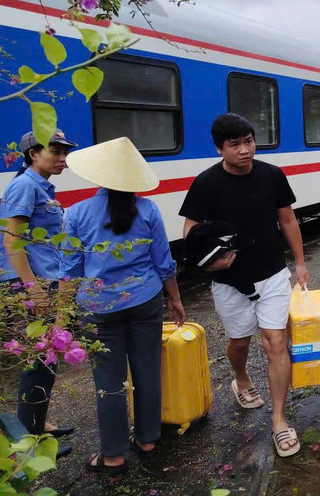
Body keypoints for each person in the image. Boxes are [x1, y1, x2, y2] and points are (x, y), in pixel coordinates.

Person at [179, 113, 308, 458]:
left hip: (272, 272)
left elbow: (287, 219)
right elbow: (191, 229)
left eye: (248, 141)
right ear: (220, 148)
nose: (244, 150)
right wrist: (208, 261)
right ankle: (241, 378)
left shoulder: (272, 175)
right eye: (235, 144)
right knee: (239, 342)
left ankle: (279, 420)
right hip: (229, 280)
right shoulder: (206, 183)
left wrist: (300, 262)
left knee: (275, 340)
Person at [59, 137, 185, 474]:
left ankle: (112, 456)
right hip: (145, 301)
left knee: (108, 382)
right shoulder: (148, 210)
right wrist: (174, 299)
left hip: (98, 307)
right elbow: (164, 263)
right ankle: (146, 439)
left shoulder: (77, 213)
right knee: (147, 371)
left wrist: (60, 316)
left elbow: (70, 272)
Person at [1, 130, 78, 452]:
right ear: (33, 154)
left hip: (44, 282)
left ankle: (38, 422)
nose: (62, 158)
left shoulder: (41, 187)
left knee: (47, 357)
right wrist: (33, 290)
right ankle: (29, 440)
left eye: (65, 151)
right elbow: (11, 241)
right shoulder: (25, 186)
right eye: (55, 151)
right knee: (37, 360)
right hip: (31, 284)